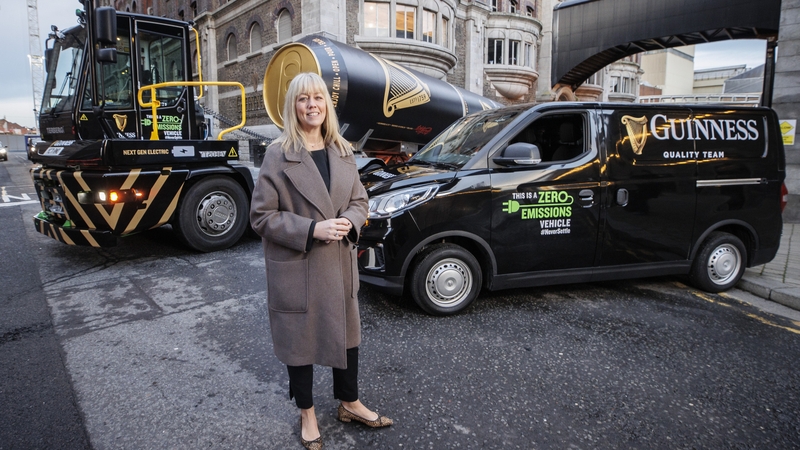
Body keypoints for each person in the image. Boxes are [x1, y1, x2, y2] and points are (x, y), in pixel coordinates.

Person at [249, 72, 392, 450]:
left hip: (339, 266)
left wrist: (351, 221)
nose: (311, 105)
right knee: (299, 342)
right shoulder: (278, 154)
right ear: (293, 106)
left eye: (317, 98)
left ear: (327, 104)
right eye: (303, 99)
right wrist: (313, 229)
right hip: (300, 266)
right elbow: (261, 216)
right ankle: (307, 414)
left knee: (348, 337)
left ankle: (350, 402)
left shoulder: (343, 150)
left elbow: (360, 201)